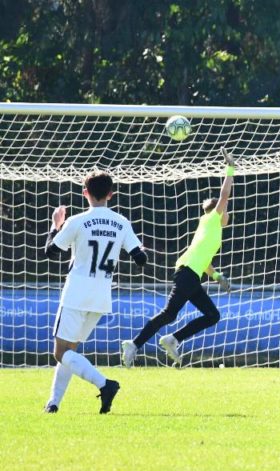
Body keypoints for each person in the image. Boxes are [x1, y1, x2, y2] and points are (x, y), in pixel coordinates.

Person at [44, 170, 147, 413]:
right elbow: (140, 258)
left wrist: (55, 226)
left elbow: (50, 251)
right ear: (110, 194)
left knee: (60, 353)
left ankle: (105, 384)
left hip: (76, 293)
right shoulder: (121, 222)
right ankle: (53, 403)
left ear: (85, 193)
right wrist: (137, 248)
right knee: (70, 352)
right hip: (101, 296)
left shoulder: (77, 221)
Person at [122, 149, 234, 368]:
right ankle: (135, 344)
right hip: (187, 274)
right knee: (169, 314)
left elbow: (204, 262)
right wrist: (230, 169)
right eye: (226, 209)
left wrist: (218, 276)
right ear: (219, 211)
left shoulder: (210, 228)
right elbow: (225, 195)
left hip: (191, 275)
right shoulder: (212, 219)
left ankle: (172, 339)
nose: (228, 213)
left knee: (212, 315)